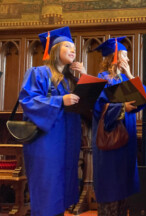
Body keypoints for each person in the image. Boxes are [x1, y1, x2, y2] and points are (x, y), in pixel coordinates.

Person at [19, 26, 86, 216]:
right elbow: (28, 101)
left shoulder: (69, 81)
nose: (73, 50)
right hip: (46, 141)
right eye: (67, 46)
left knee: (62, 190)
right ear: (55, 49)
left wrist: (85, 78)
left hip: (67, 141)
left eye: (74, 47)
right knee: (47, 188)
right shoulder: (38, 73)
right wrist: (59, 100)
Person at [91, 37, 146, 216]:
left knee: (124, 193)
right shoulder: (100, 80)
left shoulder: (125, 79)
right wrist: (122, 107)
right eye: (125, 55)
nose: (128, 59)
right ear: (113, 58)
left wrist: (131, 75)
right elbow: (97, 110)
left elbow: (143, 100)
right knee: (110, 192)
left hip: (126, 143)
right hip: (109, 145)